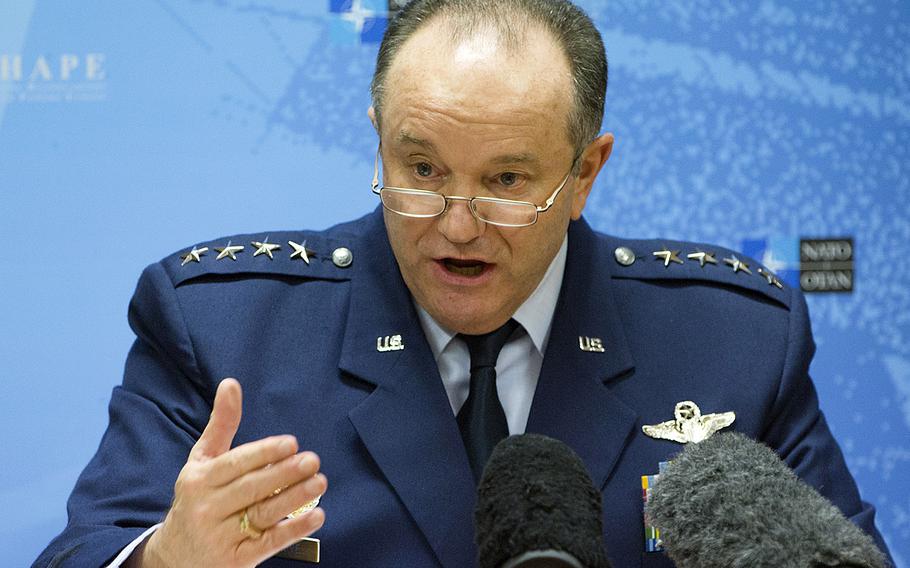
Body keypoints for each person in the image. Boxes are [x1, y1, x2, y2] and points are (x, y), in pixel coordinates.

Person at [35, 1, 892, 567]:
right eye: (420, 167)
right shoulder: (224, 329)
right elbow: (85, 551)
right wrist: (162, 560)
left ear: (587, 171)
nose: (455, 222)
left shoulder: (735, 340)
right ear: (378, 138)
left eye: (508, 182)